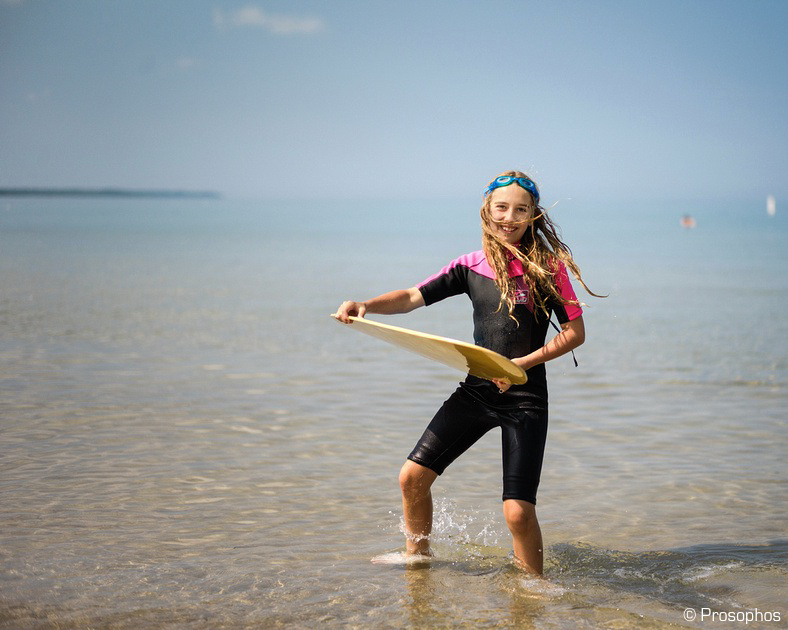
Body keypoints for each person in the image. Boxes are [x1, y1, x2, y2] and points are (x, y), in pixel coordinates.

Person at [333, 170, 600, 575]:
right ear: (486, 211)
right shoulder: (469, 266)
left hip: (525, 398)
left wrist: (520, 366)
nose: (509, 217)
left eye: (520, 210)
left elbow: (576, 333)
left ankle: (533, 590)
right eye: (502, 207)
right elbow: (409, 297)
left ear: (532, 216)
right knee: (412, 478)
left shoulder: (546, 269)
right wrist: (365, 306)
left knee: (517, 514)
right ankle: (417, 557)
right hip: (475, 391)